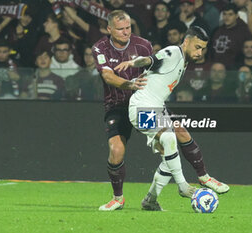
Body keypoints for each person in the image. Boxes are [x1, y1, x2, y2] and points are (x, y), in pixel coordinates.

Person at [92, 11, 228, 211]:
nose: (125, 32)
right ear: (109, 29)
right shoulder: (173, 52)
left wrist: (138, 64)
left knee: (174, 140)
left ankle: (152, 199)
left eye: (128, 27)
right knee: (123, 149)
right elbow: (150, 61)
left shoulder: (148, 46)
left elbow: (150, 61)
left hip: (151, 104)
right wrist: (133, 65)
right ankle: (175, 187)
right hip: (133, 106)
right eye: (120, 29)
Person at [211, 3, 252, 69]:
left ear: (236, 15)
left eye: (230, 14)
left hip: (234, 70)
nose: (227, 17)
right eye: (224, 14)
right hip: (215, 68)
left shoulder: (243, 32)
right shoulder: (216, 31)